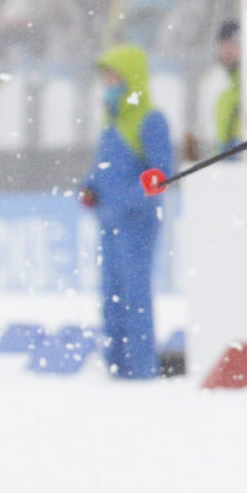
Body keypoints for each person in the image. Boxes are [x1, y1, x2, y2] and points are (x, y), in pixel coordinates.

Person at [80, 45, 173, 380]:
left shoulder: (149, 119)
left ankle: (140, 368)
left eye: (112, 77)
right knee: (111, 296)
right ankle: (116, 365)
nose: (107, 84)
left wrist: (127, 202)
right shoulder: (113, 121)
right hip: (109, 222)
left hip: (137, 224)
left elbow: (161, 173)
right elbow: (102, 168)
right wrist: (89, 188)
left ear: (130, 78)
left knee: (134, 296)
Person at [184, 19, 241, 164]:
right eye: (224, 45)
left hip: (242, 152)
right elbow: (201, 123)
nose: (229, 51)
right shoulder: (210, 81)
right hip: (216, 154)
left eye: (233, 44)